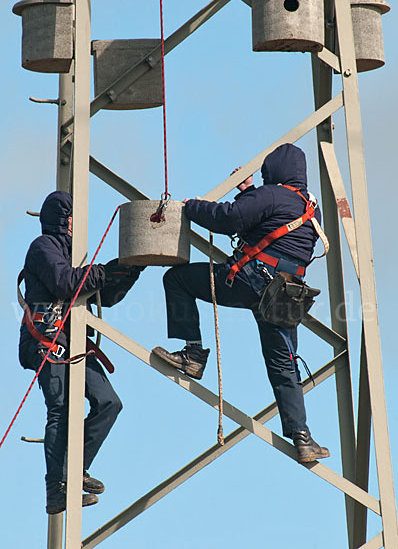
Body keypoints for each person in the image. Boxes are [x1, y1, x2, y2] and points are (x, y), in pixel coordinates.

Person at [152, 143, 329, 463]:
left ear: (274, 172)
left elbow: (230, 219)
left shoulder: (273, 195)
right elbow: (267, 224)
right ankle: (303, 438)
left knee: (175, 280)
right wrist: (251, 192)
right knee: (284, 366)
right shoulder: (311, 209)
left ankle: (193, 354)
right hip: (286, 296)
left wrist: (191, 207)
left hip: (252, 281)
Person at [18, 191, 145, 514]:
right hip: (46, 340)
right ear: (62, 219)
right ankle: (56, 489)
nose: (77, 223)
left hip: (72, 341)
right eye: (72, 216)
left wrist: (128, 270)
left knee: (109, 403)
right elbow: (65, 283)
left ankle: (75, 469)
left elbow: (103, 295)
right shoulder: (43, 248)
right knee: (60, 408)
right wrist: (102, 271)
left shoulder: (73, 253)